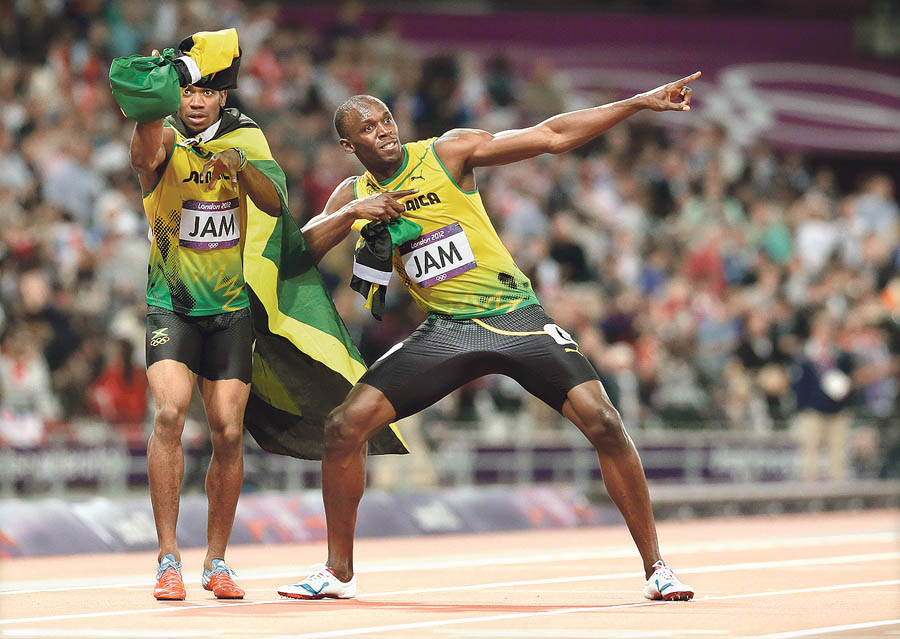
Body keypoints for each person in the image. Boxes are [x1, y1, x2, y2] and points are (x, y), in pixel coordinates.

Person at [278, 72, 702, 602]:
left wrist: (637, 103)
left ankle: (657, 568)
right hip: (447, 331)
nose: (383, 130)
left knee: (604, 421)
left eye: (386, 119)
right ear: (348, 145)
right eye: (368, 128)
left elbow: (551, 135)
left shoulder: (448, 152)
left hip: (515, 317)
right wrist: (349, 215)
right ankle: (337, 573)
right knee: (343, 427)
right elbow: (296, 258)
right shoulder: (353, 193)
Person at [130, 47, 414, 601]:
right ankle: (167, 558)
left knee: (228, 432)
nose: (195, 101)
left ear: (222, 97)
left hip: (231, 312)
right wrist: (151, 101)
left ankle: (216, 561)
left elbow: (272, 205)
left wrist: (240, 167)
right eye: (186, 91)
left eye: (207, 92)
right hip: (173, 305)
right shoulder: (161, 136)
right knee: (168, 414)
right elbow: (144, 157)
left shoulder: (247, 140)